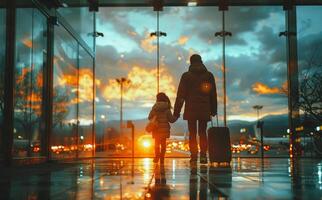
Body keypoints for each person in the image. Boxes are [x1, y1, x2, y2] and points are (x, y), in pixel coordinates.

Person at [174, 54, 217, 164]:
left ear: (191, 62)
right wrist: (213, 109)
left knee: (192, 133)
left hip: (191, 108)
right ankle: (203, 156)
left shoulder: (186, 76)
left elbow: (181, 96)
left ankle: (193, 156)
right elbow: (212, 94)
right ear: (201, 61)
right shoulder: (209, 75)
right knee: (202, 132)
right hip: (204, 108)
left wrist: (176, 112)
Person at [148, 92, 178, 164]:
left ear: (157, 99)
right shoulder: (167, 109)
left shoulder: (154, 108)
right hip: (164, 130)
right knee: (163, 145)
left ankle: (157, 156)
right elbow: (171, 120)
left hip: (156, 130)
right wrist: (177, 116)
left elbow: (149, 117)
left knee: (156, 144)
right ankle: (162, 159)